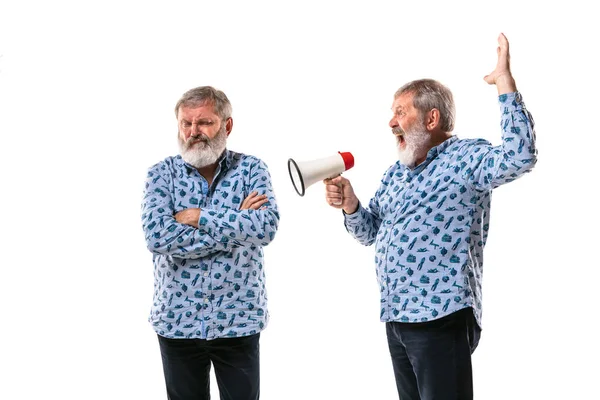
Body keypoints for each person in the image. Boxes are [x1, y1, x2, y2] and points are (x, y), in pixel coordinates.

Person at [324, 33, 537, 399]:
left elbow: (520, 156)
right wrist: (351, 205)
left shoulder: (466, 158)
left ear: (432, 118)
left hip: (440, 316)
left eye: (401, 112)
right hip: (397, 318)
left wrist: (504, 83)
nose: (391, 122)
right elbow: (370, 231)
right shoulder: (396, 173)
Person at [141, 86, 279, 400]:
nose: (193, 132)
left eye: (204, 123)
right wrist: (235, 223)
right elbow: (157, 236)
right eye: (186, 124)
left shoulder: (251, 169)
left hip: (239, 320)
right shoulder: (161, 175)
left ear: (226, 126)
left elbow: (266, 227)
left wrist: (199, 217)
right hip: (177, 321)